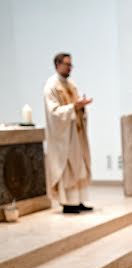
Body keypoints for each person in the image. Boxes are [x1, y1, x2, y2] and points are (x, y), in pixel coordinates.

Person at [44, 53, 93, 214]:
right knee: (68, 168)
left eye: (71, 65)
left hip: (76, 134)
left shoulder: (71, 85)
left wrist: (82, 106)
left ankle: (78, 200)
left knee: (80, 166)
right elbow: (54, 113)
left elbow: (76, 106)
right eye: (67, 64)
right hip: (63, 137)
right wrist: (74, 107)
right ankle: (68, 203)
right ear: (57, 64)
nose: (70, 68)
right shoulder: (51, 86)